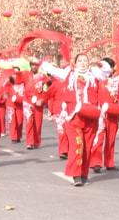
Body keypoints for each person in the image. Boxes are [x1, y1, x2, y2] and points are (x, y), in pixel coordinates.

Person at [40, 54, 102, 186]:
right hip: (73, 116)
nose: (83, 63)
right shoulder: (68, 74)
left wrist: (100, 63)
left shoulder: (94, 75)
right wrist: (44, 62)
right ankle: (76, 174)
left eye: (85, 61)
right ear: (75, 63)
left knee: (87, 145)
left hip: (90, 115)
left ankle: (84, 173)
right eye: (80, 61)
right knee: (76, 145)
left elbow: (107, 72)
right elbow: (53, 70)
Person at [90, 57, 119, 173]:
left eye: (111, 67)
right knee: (99, 138)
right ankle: (96, 162)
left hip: (113, 112)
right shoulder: (97, 78)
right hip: (101, 112)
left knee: (111, 139)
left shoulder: (118, 79)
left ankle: (109, 162)